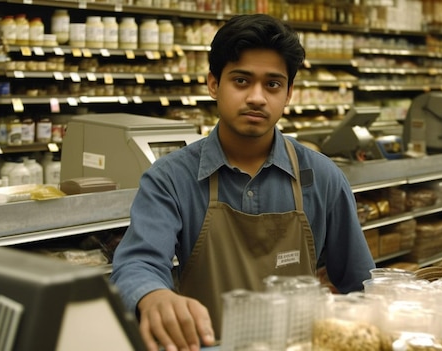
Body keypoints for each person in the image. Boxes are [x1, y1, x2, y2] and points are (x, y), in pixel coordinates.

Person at [110, 13, 376, 351]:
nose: (257, 97)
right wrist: (154, 294)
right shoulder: (170, 179)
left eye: (273, 84)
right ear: (212, 84)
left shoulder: (323, 179)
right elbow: (139, 262)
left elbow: (361, 284)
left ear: (289, 93)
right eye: (241, 80)